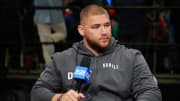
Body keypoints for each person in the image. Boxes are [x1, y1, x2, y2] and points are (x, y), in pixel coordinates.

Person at [31, 4, 162, 101]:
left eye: (107, 25)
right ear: (81, 30)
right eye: (96, 27)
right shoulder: (62, 59)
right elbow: (37, 92)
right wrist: (60, 97)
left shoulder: (131, 57)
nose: (104, 32)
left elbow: (151, 92)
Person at [33, 0, 67, 64]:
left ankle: (50, 68)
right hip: (56, 14)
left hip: (41, 14)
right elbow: (65, 2)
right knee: (63, 34)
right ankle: (51, 38)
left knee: (46, 45)